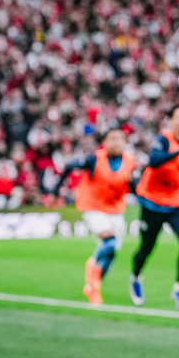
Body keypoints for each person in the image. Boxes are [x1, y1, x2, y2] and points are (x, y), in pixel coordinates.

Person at [131, 106, 179, 312]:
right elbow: (153, 161)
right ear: (172, 121)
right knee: (147, 248)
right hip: (153, 202)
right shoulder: (164, 139)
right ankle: (136, 277)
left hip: (178, 201)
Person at [51, 129, 136, 305]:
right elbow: (69, 166)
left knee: (112, 253)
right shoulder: (94, 159)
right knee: (109, 241)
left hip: (116, 210)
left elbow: (131, 184)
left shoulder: (129, 161)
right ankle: (92, 264)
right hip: (93, 208)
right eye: (112, 139)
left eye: (120, 139)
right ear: (104, 143)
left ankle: (92, 287)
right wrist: (55, 191)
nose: (117, 142)